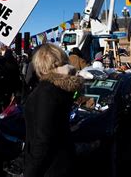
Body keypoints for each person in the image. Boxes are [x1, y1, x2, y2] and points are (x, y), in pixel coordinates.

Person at [24, 43, 84, 177]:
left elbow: (43, 139)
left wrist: (30, 172)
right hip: (62, 161)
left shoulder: (47, 90)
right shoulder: (60, 86)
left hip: (49, 167)